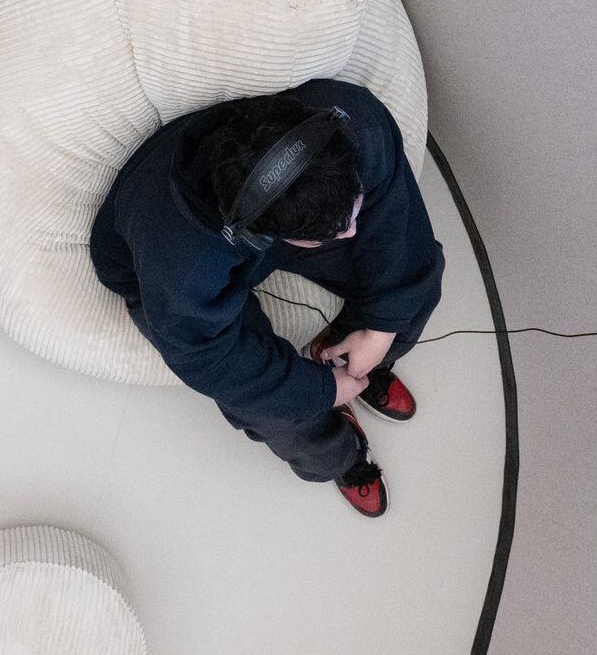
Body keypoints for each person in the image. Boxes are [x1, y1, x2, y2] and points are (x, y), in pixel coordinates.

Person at [89, 79, 443, 517]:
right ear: (267, 237)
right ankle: (343, 456)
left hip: (278, 217)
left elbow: (392, 209)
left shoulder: (353, 120)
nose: (353, 230)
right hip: (160, 275)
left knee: (415, 286)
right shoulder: (180, 268)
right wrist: (323, 389)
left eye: (354, 207)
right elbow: (209, 357)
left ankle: (359, 356)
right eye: (335, 232)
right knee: (276, 412)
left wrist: (381, 327)